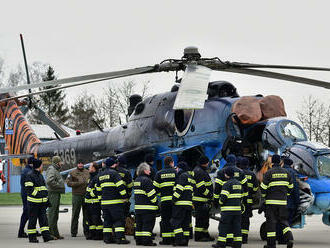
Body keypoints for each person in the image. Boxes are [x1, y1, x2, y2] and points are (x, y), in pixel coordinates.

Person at [260, 154, 294, 248]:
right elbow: (291, 187)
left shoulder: (269, 172)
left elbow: (263, 188)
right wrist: (285, 195)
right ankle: (289, 238)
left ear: (272, 162)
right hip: (283, 202)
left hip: (271, 203)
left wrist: (264, 197)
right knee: (283, 221)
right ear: (280, 162)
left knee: (271, 223)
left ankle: (271, 244)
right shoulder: (286, 172)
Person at [214, 154, 247, 245]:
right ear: (235, 161)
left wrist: (216, 201)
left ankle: (224, 242)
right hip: (237, 205)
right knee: (236, 225)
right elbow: (245, 188)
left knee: (224, 224)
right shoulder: (241, 172)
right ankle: (236, 243)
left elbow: (217, 189)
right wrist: (243, 202)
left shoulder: (221, 172)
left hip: (226, 204)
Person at [96, 156, 130, 244]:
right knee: (119, 220)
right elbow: (121, 187)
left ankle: (107, 238)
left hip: (104, 203)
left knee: (107, 221)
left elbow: (98, 189)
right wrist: (125, 197)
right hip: (115, 203)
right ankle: (120, 238)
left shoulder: (100, 175)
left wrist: (101, 200)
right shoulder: (115, 174)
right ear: (113, 164)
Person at [25, 159, 53, 243]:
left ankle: (46, 236)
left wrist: (46, 199)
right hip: (33, 203)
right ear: (39, 166)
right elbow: (29, 189)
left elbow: (44, 188)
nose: (42, 166)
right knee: (32, 221)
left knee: (44, 220)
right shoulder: (30, 175)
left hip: (42, 203)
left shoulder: (40, 175)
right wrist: (40, 195)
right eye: (41, 165)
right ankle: (32, 238)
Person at [153, 156, 177, 245]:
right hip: (175, 201)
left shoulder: (159, 173)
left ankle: (166, 240)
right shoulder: (176, 172)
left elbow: (155, 188)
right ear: (171, 163)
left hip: (164, 201)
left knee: (165, 220)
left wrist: (161, 195)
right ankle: (174, 238)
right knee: (174, 219)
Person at [170, 161, 195, 246]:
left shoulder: (182, 176)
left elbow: (179, 189)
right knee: (185, 224)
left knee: (175, 222)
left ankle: (179, 240)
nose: (176, 170)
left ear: (180, 168)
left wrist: (173, 199)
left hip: (180, 204)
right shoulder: (190, 177)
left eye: (176, 168)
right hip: (188, 204)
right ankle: (185, 241)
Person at [134, 162, 158, 246]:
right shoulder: (147, 180)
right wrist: (156, 202)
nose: (150, 172)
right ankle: (147, 241)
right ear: (144, 170)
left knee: (139, 225)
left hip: (138, 208)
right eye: (148, 170)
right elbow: (151, 195)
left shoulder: (137, 180)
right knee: (147, 225)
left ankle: (139, 240)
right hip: (148, 208)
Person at [237, 156, 258, 244]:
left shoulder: (238, 173)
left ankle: (237, 237)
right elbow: (256, 188)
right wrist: (251, 192)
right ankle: (244, 238)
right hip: (248, 201)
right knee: (246, 220)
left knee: (237, 219)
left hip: (238, 200)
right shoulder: (252, 174)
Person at [193, 155, 214, 242]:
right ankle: (198, 236)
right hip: (200, 200)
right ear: (205, 163)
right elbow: (201, 187)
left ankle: (205, 234)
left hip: (203, 200)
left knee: (205, 219)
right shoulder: (199, 172)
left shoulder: (200, 170)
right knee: (200, 219)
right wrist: (209, 194)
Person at [66, 159, 90, 237]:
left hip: (86, 195)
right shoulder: (72, 172)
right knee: (75, 214)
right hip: (77, 195)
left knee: (86, 215)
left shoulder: (87, 172)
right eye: (79, 163)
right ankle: (73, 232)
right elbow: (68, 183)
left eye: (82, 163)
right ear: (77, 164)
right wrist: (78, 183)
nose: (80, 165)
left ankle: (86, 232)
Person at [46, 155, 65, 240]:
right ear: (57, 162)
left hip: (56, 193)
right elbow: (49, 181)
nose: (61, 163)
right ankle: (50, 234)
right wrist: (59, 186)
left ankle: (55, 233)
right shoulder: (52, 169)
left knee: (55, 214)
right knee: (52, 214)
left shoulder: (55, 170)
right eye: (60, 162)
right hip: (53, 194)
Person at [84, 162, 103, 240]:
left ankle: (99, 234)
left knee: (96, 218)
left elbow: (97, 189)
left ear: (94, 168)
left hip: (95, 202)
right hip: (89, 202)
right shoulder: (91, 177)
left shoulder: (97, 177)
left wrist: (91, 193)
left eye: (90, 167)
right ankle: (92, 233)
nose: (88, 168)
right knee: (90, 219)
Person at [18, 157, 34, 238]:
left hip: (25, 193)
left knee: (30, 213)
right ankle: (21, 232)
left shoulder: (26, 170)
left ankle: (31, 230)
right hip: (27, 194)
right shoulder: (29, 171)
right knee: (27, 213)